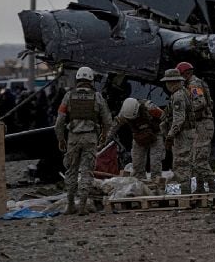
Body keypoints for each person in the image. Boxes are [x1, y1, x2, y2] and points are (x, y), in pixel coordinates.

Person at [55, 67, 112, 215]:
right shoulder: (97, 97)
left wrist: (61, 139)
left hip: (73, 138)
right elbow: (107, 120)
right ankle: (83, 205)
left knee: (71, 170)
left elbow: (59, 121)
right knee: (87, 171)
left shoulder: (68, 96)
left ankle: (70, 205)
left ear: (78, 80)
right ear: (91, 80)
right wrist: (104, 136)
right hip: (90, 138)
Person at [175, 62, 215, 193]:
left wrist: (185, 110)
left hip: (203, 123)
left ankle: (212, 185)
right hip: (198, 124)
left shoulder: (194, 85)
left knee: (200, 158)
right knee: (196, 157)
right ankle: (200, 187)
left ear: (186, 74)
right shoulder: (191, 84)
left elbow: (200, 102)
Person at [110, 96, 166, 185]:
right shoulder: (124, 114)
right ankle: (139, 182)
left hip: (156, 134)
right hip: (139, 136)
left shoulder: (149, 108)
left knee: (155, 160)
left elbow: (165, 118)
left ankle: (156, 183)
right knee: (137, 162)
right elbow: (114, 126)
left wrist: (169, 134)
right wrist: (106, 138)